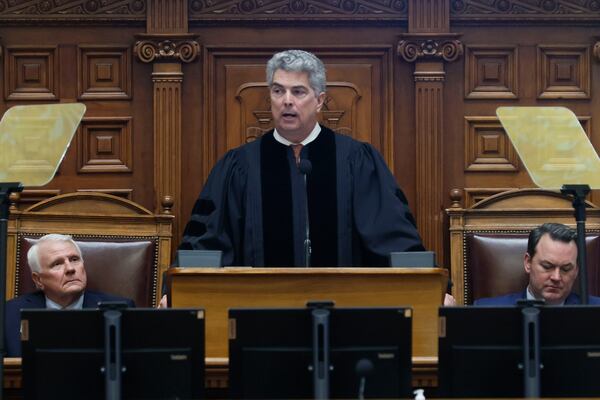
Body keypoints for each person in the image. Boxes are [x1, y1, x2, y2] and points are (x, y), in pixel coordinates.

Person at [179, 49, 425, 268]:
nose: (287, 100)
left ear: (319, 101)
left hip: (343, 309)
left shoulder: (356, 161)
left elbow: (393, 236)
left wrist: (428, 285)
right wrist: (180, 290)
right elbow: (208, 240)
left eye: (298, 91)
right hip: (258, 311)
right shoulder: (240, 165)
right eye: (278, 91)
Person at [4, 234, 135, 357]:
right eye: (57, 264)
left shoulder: (120, 310)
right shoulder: (9, 314)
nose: (70, 268)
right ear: (38, 280)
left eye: (74, 259)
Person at [475, 223, 600, 306]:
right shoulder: (486, 310)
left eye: (566, 269)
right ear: (528, 263)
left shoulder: (595, 312)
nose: (556, 277)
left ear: (576, 271)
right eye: (547, 266)